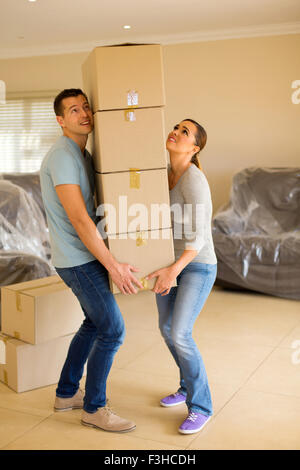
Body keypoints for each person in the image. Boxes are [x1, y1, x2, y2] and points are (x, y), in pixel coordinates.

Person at [40, 88, 143, 433]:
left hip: (82, 257)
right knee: (113, 329)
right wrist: (114, 265)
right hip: (76, 260)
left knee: (93, 324)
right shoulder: (62, 157)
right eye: (73, 110)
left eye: (86, 107)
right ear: (60, 120)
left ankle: (67, 393)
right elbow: (80, 220)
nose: (83, 113)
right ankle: (94, 408)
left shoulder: (81, 154)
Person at [146, 119, 217, 435]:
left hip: (197, 265)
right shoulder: (163, 174)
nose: (175, 131)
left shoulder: (194, 179)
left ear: (195, 147)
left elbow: (200, 237)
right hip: (169, 263)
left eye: (184, 132)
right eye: (175, 126)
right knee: (165, 328)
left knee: (180, 333)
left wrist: (173, 270)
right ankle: (186, 386)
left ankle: (201, 406)